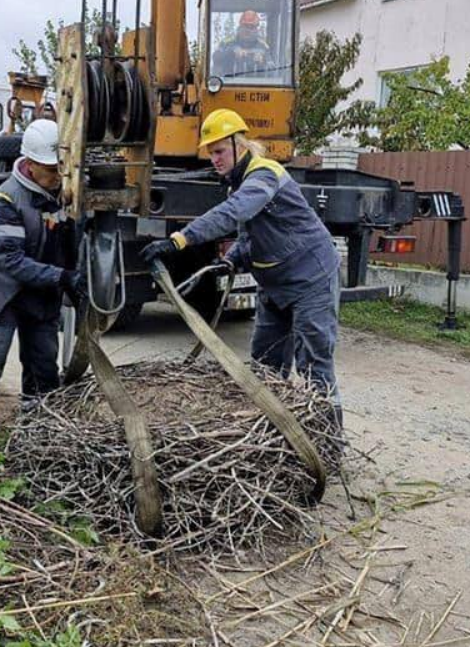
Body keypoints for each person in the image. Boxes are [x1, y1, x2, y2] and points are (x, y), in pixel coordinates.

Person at [140, 109, 343, 428]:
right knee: (264, 366)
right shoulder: (240, 184)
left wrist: (180, 239)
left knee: (313, 367)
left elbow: (232, 214)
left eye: (219, 151)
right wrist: (230, 260)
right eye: (210, 152)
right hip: (274, 285)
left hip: (310, 280)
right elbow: (251, 234)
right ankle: (276, 438)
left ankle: (329, 449)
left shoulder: (264, 174)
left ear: (240, 145)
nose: (214, 159)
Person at [0, 119, 85, 457]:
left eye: (60, 169)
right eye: (51, 170)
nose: (57, 176)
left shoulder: (64, 193)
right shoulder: (8, 197)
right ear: (32, 164)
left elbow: (70, 242)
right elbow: (10, 262)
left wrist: (76, 281)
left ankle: (39, 439)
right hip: (1, 288)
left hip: (40, 289)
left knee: (43, 365)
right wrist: (62, 277)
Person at [211, 9, 270, 79]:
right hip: (228, 85)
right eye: (245, 26)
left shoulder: (263, 47)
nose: (248, 30)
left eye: (251, 27)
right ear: (240, 27)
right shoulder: (226, 43)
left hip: (256, 86)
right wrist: (231, 52)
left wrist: (263, 61)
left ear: (256, 29)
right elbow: (216, 58)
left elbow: (274, 70)